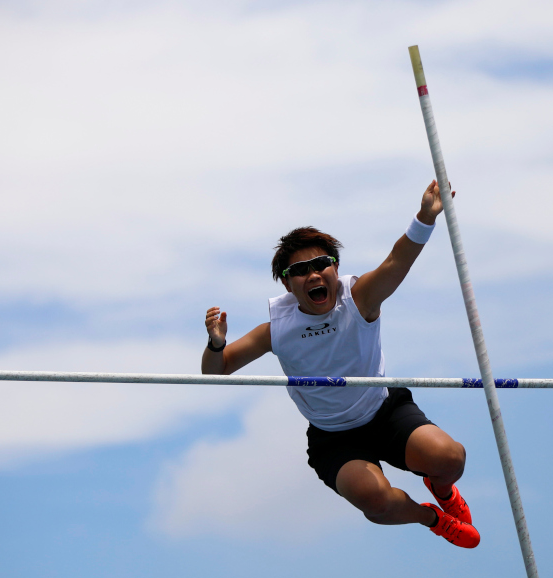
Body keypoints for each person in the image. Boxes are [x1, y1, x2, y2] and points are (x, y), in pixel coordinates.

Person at [201, 180, 479, 548]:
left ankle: (443, 491)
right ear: (287, 285)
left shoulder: (359, 297)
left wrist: (425, 217)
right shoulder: (277, 330)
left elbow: (397, 260)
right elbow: (214, 372)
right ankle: (433, 517)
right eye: (300, 271)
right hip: (333, 438)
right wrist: (216, 343)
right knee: (375, 502)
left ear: (335, 269)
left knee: (450, 458)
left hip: (384, 412)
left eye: (321, 264)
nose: (313, 274)